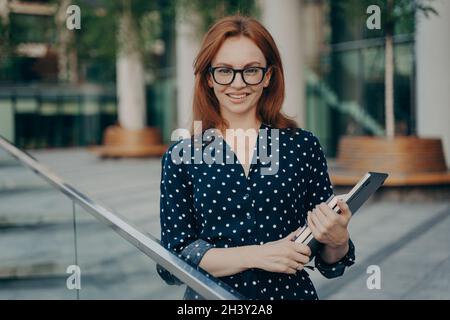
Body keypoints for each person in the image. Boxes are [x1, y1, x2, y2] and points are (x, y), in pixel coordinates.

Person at [157, 15, 355, 300]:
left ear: (269, 76)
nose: (238, 84)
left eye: (251, 70)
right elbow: (173, 261)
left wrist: (339, 241)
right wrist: (258, 255)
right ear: (209, 78)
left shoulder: (303, 147)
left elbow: (330, 263)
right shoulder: (182, 156)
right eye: (225, 71)